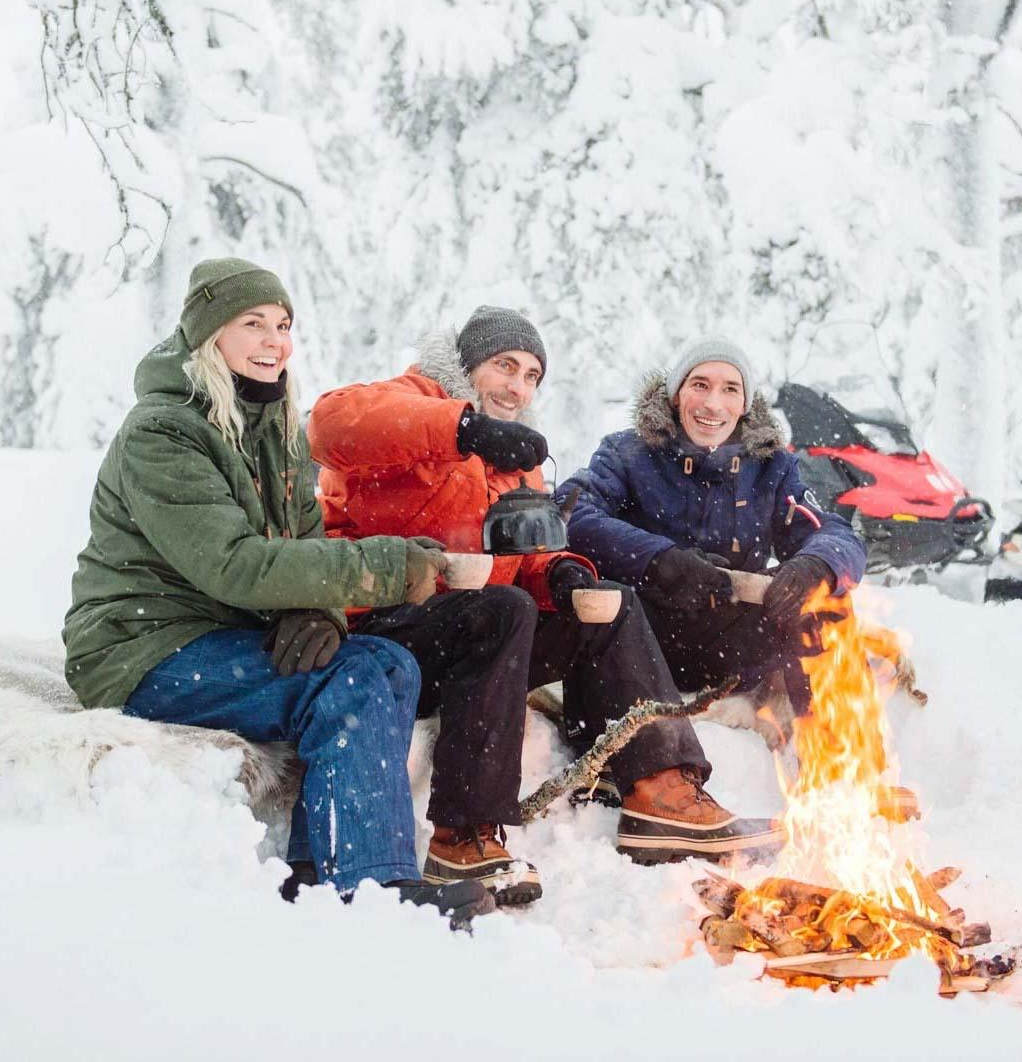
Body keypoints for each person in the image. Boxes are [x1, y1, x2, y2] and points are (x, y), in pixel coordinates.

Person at [62, 257, 489, 923]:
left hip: (220, 634)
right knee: (345, 683)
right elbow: (232, 565)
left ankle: (322, 872)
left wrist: (321, 611)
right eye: (253, 324)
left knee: (389, 663)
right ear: (210, 336)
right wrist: (390, 565)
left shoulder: (275, 422)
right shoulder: (163, 431)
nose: (274, 341)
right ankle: (371, 888)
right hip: (142, 649)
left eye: (283, 324)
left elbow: (305, 540)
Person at [307, 306, 781, 902]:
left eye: (532, 375)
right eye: (506, 366)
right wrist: (461, 428)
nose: (518, 386)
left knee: (609, 603)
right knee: (502, 609)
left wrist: (563, 576)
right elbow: (328, 425)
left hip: (476, 640)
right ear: (467, 364)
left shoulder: (515, 459)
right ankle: (463, 834)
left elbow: (526, 556)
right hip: (383, 631)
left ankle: (661, 792)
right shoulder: (411, 401)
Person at [559, 336, 866, 734]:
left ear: (744, 405)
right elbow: (571, 511)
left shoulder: (773, 466)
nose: (712, 404)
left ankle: (836, 762)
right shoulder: (627, 452)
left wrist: (813, 564)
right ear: (676, 395)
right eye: (700, 385)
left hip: (734, 644)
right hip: (641, 638)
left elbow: (834, 534)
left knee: (828, 600)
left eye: (730, 389)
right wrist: (661, 560)